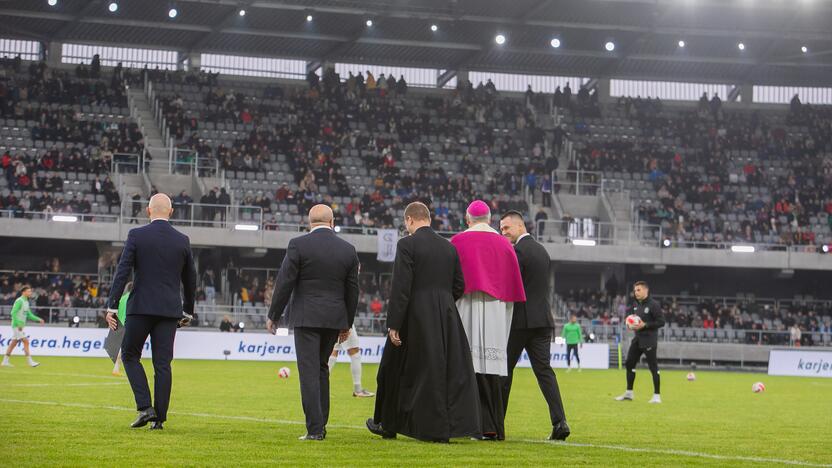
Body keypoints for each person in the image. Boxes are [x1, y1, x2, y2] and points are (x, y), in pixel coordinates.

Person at [367, 202, 480, 443]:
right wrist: (444, 302)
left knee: (392, 367)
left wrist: (394, 323)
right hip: (447, 316)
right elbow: (459, 285)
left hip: (414, 315)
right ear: (428, 218)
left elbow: (401, 287)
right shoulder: (448, 248)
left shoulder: (407, 244)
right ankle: (444, 427)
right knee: (444, 370)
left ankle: (388, 424)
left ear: (409, 220)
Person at [266, 204, 359, 441]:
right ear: (332, 221)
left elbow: (284, 282)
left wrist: (274, 314)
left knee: (308, 372)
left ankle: (315, 429)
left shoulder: (298, 244)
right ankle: (321, 424)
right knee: (321, 369)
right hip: (333, 319)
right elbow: (353, 292)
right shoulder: (348, 250)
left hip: (306, 318)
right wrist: (346, 324)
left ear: (309, 222)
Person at [105, 193, 197, 430]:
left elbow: (123, 271)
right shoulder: (182, 240)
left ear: (148, 211)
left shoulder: (137, 235)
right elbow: (190, 280)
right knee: (163, 364)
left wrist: (112, 306)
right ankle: (160, 420)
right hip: (169, 311)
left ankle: (145, 407)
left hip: (141, 307)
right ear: (171, 211)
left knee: (129, 355)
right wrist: (187, 311)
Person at [450, 200, 526, 441]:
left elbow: (450, 280)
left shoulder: (458, 241)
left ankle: (464, 424)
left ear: (467, 218)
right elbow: (512, 286)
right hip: (496, 309)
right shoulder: (504, 243)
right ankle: (493, 426)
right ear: (490, 219)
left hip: (465, 306)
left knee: (465, 366)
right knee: (490, 369)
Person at [499, 211, 569, 441]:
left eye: (507, 228)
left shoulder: (517, 252)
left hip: (521, 321)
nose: (503, 232)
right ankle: (560, 422)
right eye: (501, 229)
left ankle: (496, 426)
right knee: (545, 372)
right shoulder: (542, 251)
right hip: (543, 321)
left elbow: (511, 284)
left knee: (504, 372)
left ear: (520, 226)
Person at [616, 281, 665, 404]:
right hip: (638, 339)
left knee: (653, 367)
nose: (636, 292)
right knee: (629, 363)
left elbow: (661, 322)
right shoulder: (636, 305)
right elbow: (636, 322)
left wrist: (646, 325)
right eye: (635, 290)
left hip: (649, 340)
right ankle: (629, 393)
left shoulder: (654, 305)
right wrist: (631, 325)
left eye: (638, 290)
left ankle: (657, 395)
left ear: (645, 290)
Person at [2, 286, 45, 368]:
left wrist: (39, 319)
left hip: (20, 326)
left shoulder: (26, 302)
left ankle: (5, 361)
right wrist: (18, 324)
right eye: (28, 291)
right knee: (26, 341)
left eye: (30, 291)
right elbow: (13, 313)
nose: (30, 293)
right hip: (17, 326)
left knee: (13, 344)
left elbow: (29, 315)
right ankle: (30, 362)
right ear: (23, 292)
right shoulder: (19, 301)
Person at [328, 325, 375, 398]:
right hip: (344, 321)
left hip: (333, 320)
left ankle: (321, 388)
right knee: (354, 351)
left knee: (333, 349)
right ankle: (358, 390)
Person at [111, 282, 133, 377]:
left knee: (123, 348)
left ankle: (117, 368)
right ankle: (116, 369)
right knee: (124, 349)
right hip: (129, 323)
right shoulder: (133, 297)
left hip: (120, 324)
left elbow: (116, 311)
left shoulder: (122, 298)